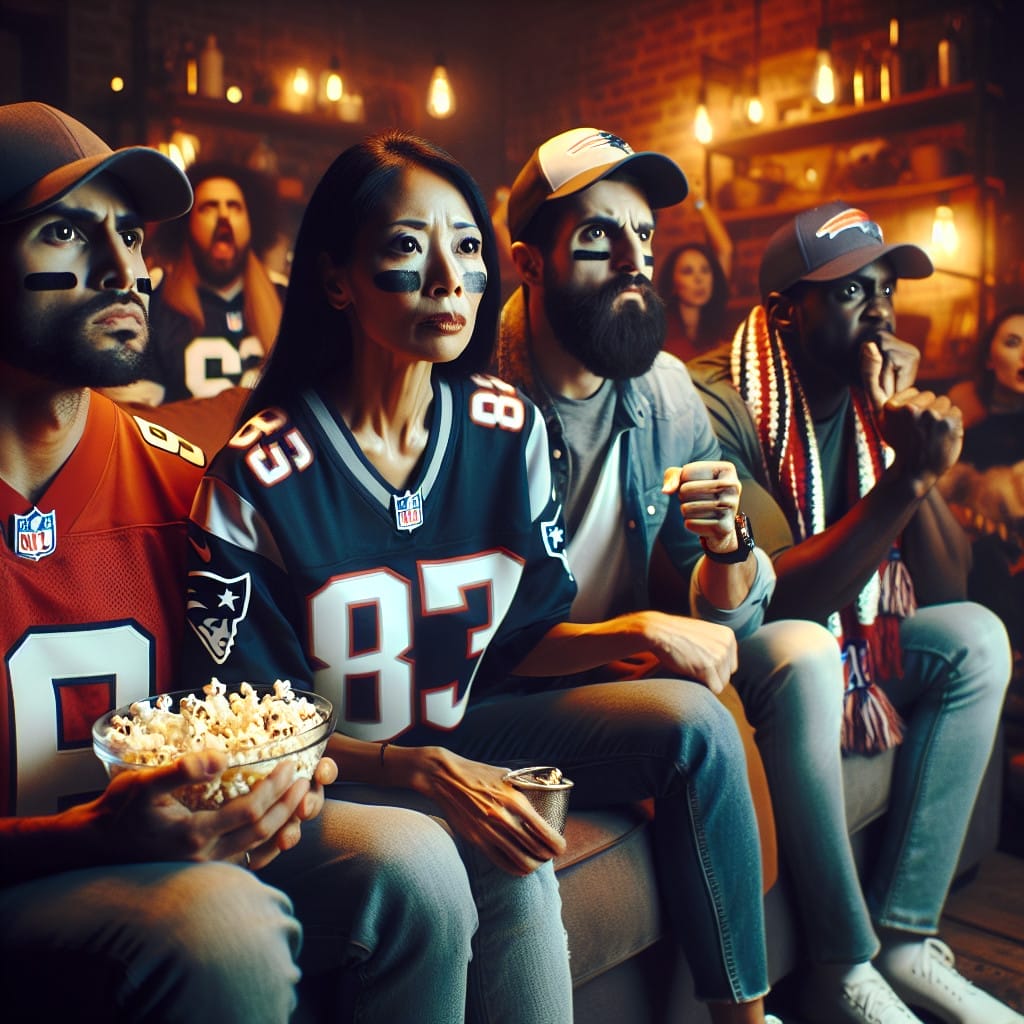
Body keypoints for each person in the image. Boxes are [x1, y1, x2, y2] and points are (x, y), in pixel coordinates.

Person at [180, 128, 779, 1024]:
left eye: (464, 246)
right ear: (336, 279)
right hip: (341, 775)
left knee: (693, 721)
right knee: (513, 865)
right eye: (404, 248)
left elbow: (513, 647)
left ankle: (745, 1018)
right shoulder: (256, 473)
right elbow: (252, 742)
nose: (447, 278)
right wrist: (417, 770)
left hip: (468, 727)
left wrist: (632, 631)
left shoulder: (507, 427)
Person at [0, 100, 317, 1024]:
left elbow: (259, 709)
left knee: (413, 870)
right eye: (65, 230)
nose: (126, 269)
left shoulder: (187, 486)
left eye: (131, 234)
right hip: (50, 876)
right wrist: (84, 837)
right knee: (222, 926)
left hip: (162, 857)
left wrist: (283, 778)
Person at [689, 200, 1018, 1024]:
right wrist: (903, 480)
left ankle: (905, 942)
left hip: (853, 642)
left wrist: (916, 460)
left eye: (886, 288)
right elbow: (775, 602)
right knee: (804, 643)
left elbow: (949, 594)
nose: (878, 309)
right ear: (782, 312)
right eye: (847, 292)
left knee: (979, 639)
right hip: (754, 657)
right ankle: (844, 967)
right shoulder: (718, 401)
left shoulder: (879, 398)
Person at [106, 159, 285, 407]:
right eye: (209, 207)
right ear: (186, 224)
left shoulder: (287, 298)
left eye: (234, 206)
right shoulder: (152, 298)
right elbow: (132, 413)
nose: (224, 216)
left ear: (251, 223)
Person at [657, 240, 733, 361]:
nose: (699, 279)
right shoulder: (661, 332)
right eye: (687, 271)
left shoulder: (718, 328)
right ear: (672, 283)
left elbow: (726, 250)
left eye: (705, 270)